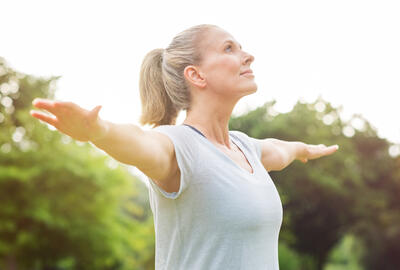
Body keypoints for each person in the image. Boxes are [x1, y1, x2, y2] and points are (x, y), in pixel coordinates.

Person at [30, 24, 339, 270]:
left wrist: (305, 149)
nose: (247, 56)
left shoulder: (248, 148)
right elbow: (139, 142)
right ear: (195, 74)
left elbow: (281, 150)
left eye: (241, 47)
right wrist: (100, 131)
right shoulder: (180, 146)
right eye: (229, 48)